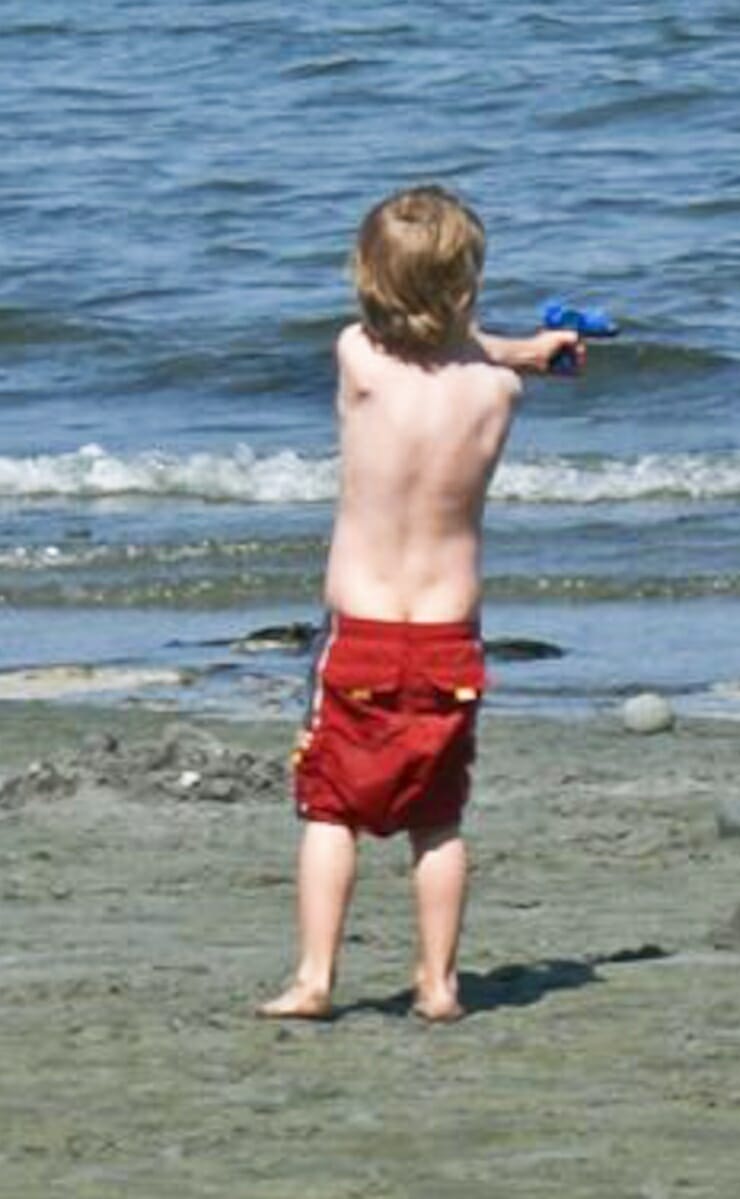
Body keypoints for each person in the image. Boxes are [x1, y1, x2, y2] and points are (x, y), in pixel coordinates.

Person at [258, 185, 581, 1021]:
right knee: (437, 820)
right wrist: (530, 351)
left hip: (360, 633)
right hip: (446, 639)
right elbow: (469, 355)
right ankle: (439, 983)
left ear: (369, 284)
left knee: (330, 809)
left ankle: (315, 978)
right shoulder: (498, 393)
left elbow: (427, 338)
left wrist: (506, 343)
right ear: (468, 289)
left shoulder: (356, 360)